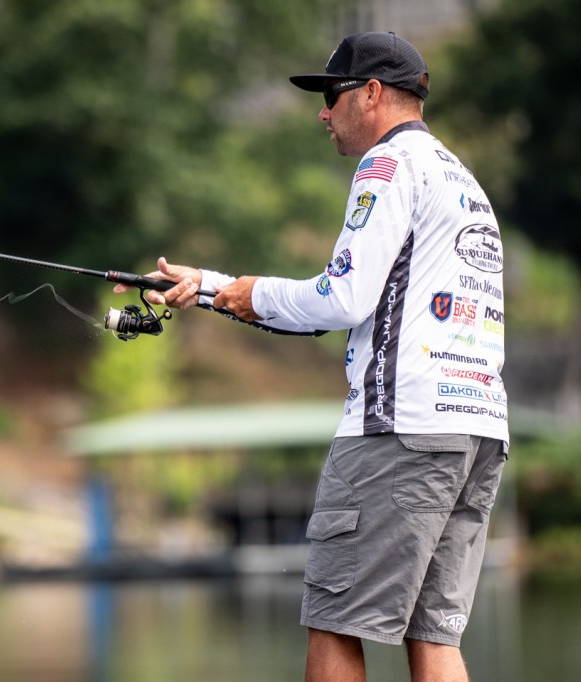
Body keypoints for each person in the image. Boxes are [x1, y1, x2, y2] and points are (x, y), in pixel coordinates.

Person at [114, 32, 508, 682]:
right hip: (476, 431)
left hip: (398, 429)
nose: (323, 113)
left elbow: (342, 299)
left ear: (372, 93)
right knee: (434, 636)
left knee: (334, 622)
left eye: (332, 95)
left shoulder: (386, 166)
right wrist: (213, 288)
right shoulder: (461, 179)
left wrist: (246, 292)